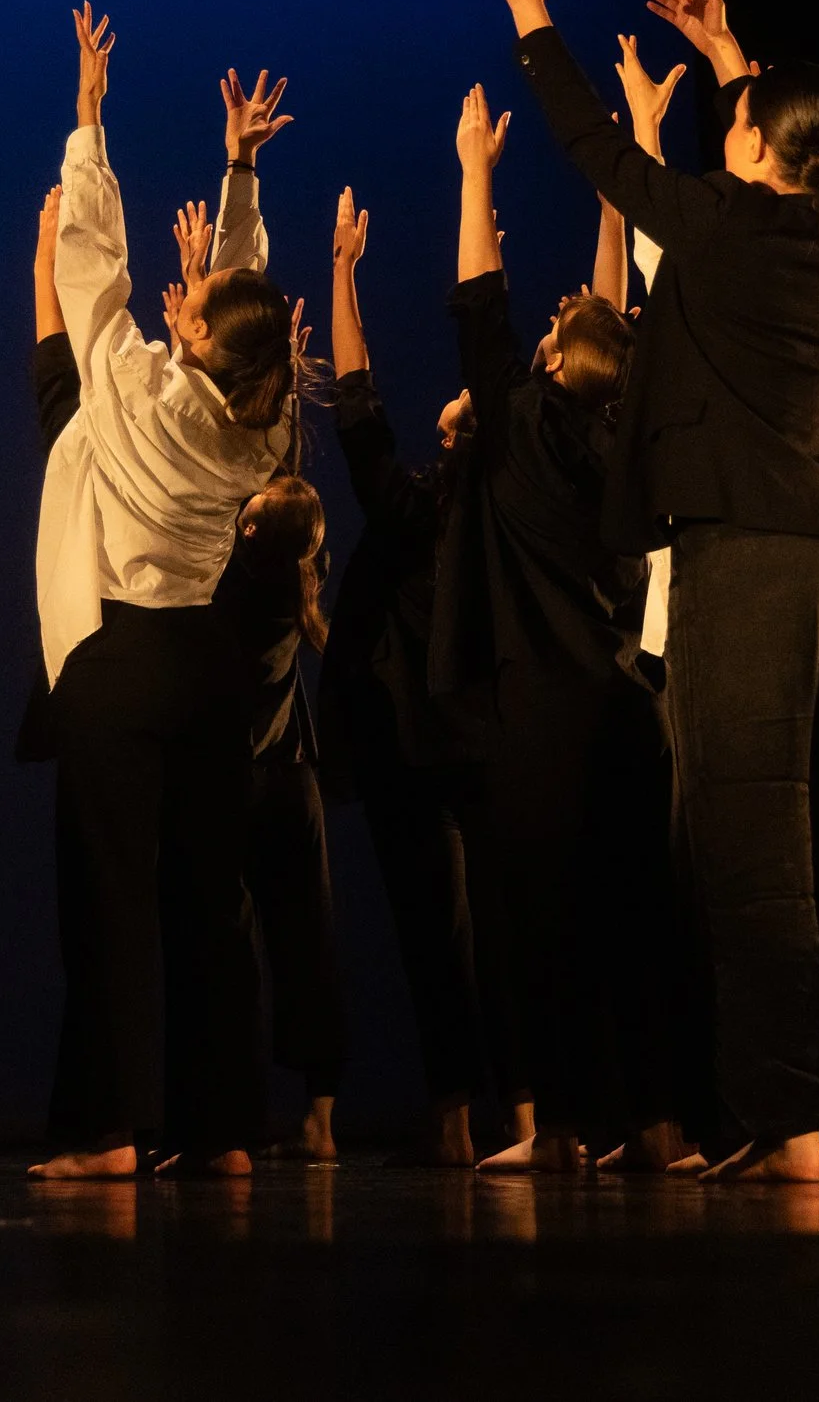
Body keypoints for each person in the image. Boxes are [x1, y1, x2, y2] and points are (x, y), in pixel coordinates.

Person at [503, 0, 819, 1182]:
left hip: (754, 560)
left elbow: (596, 149)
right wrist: (729, 53)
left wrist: (531, 21)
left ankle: (788, 1124)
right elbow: (784, 155)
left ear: (754, 148)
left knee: (754, 844)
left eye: (736, 122)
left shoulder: (722, 226)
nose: (724, 134)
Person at [25, 7, 304, 1181]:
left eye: (187, 308)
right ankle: (225, 1125)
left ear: (188, 337)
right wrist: (238, 175)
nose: (177, 302)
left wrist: (89, 117)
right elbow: (243, 303)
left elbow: (89, 263)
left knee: (112, 897)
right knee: (206, 897)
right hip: (208, 670)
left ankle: (106, 1130)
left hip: (121, 664)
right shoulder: (264, 423)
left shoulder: (134, 388)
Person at [432, 83, 696, 1175]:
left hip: (539, 719)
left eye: (549, 336)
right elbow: (610, 333)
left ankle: (562, 1130)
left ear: (550, 367)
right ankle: (659, 1122)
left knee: (547, 927)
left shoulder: (519, 427)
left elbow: (480, 306)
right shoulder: (627, 443)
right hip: (629, 712)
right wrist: (614, 198)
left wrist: (474, 172)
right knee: (639, 922)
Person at [318, 186, 534, 1166]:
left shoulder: (429, 513)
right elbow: (362, 411)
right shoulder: (496, 521)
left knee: (448, 934)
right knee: (493, 928)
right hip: (478, 742)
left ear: (460, 438)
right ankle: (516, 1112)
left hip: (424, 748)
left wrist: (343, 271)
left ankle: (468, 1111)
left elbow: (360, 406)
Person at [215, 471, 347, 1161]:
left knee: (236, 951)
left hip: (242, 783)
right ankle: (320, 1121)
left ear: (249, 529)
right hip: (295, 784)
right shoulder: (296, 577)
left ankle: (239, 1114)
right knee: (309, 946)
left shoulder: (237, 584)